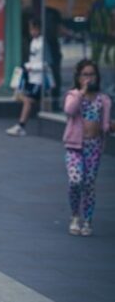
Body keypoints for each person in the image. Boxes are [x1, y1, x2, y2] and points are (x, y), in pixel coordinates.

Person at [63, 59, 112, 237]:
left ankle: (87, 220)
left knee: (89, 184)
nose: (89, 78)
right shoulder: (73, 95)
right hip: (75, 146)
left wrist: (109, 126)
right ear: (78, 77)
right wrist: (81, 92)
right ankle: (75, 215)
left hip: (94, 146)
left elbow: (105, 125)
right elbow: (69, 110)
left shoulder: (103, 99)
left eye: (92, 74)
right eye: (85, 74)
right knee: (75, 181)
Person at [6, 18, 46, 137]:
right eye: (31, 29)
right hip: (32, 77)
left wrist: (32, 67)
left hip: (39, 78)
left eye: (34, 29)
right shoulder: (34, 42)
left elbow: (46, 63)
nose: (32, 32)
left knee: (28, 100)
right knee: (20, 96)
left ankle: (21, 125)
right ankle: (23, 124)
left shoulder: (43, 43)